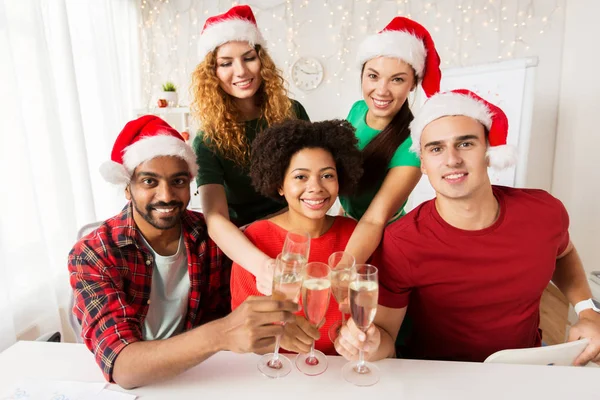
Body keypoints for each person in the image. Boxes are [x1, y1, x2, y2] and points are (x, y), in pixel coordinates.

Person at [334, 89, 600, 366]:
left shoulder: (544, 211)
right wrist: (370, 342)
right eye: (436, 148)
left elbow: (563, 252)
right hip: (439, 377)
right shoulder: (401, 242)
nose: (451, 159)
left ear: (488, 151)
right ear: (423, 164)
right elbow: (386, 340)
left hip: (524, 369)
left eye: (465, 144)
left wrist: (587, 311)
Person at [69, 116, 299, 389]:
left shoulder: (210, 237)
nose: (166, 195)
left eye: (178, 181)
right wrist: (222, 334)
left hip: (201, 375)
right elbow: (123, 367)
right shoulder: (93, 253)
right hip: (139, 386)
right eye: (149, 182)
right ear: (127, 189)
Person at [190, 5, 310, 295]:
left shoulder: (292, 112)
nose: (241, 71)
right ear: (213, 72)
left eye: (248, 58)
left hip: (301, 227)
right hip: (249, 243)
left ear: (262, 61)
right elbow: (216, 217)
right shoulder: (207, 139)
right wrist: (263, 266)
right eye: (226, 63)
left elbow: (314, 177)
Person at [230, 119, 363, 355]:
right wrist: (276, 337)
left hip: (339, 373)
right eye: (301, 177)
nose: (316, 187)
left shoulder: (354, 236)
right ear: (279, 185)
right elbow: (242, 333)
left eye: (327, 175)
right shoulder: (255, 240)